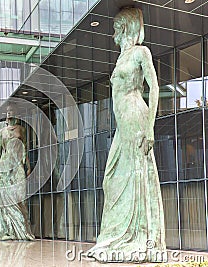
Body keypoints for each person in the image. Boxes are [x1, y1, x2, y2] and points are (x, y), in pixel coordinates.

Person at [87, 8, 166, 262]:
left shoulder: (141, 52)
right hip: (122, 124)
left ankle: (138, 236)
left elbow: (154, 88)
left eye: (116, 29)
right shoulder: (121, 57)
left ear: (126, 28)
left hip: (135, 117)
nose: (113, 36)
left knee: (134, 175)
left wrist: (151, 127)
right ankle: (115, 237)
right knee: (111, 179)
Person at [0, 105, 35, 241]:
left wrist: (28, 166)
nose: (8, 113)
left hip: (17, 166)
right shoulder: (2, 132)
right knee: (5, 200)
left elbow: (25, 149)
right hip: (4, 167)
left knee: (21, 198)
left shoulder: (21, 129)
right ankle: (8, 231)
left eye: (11, 110)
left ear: (16, 113)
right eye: (7, 111)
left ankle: (24, 230)